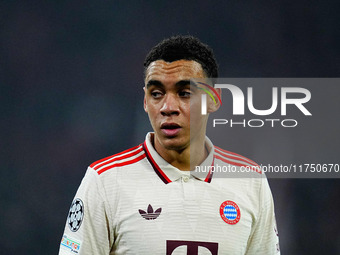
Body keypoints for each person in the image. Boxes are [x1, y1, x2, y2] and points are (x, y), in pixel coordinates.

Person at [59, 35, 280, 255]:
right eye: (156, 94)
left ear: (213, 100)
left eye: (184, 93)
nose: (168, 107)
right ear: (146, 101)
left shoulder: (251, 181)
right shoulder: (104, 181)